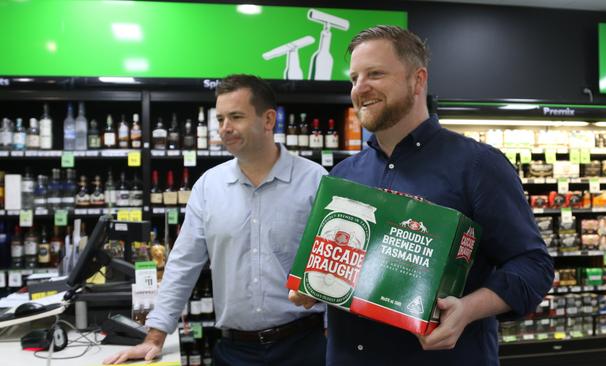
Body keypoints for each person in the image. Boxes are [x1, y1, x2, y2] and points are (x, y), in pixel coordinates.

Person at [289, 25, 554, 365]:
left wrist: (468, 309)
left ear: (418, 80)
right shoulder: (343, 176)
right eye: (354, 78)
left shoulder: (477, 165)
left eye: (375, 74)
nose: (360, 88)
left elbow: (534, 265)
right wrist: (313, 285)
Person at [104, 74, 327, 366]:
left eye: (236, 117)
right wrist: (154, 337)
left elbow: (336, 266)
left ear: (268, 120)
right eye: (220, 119)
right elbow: (183, 263)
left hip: (304, 348)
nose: (225, 128)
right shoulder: (209, 186)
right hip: (234, 351)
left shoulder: (315, 181)